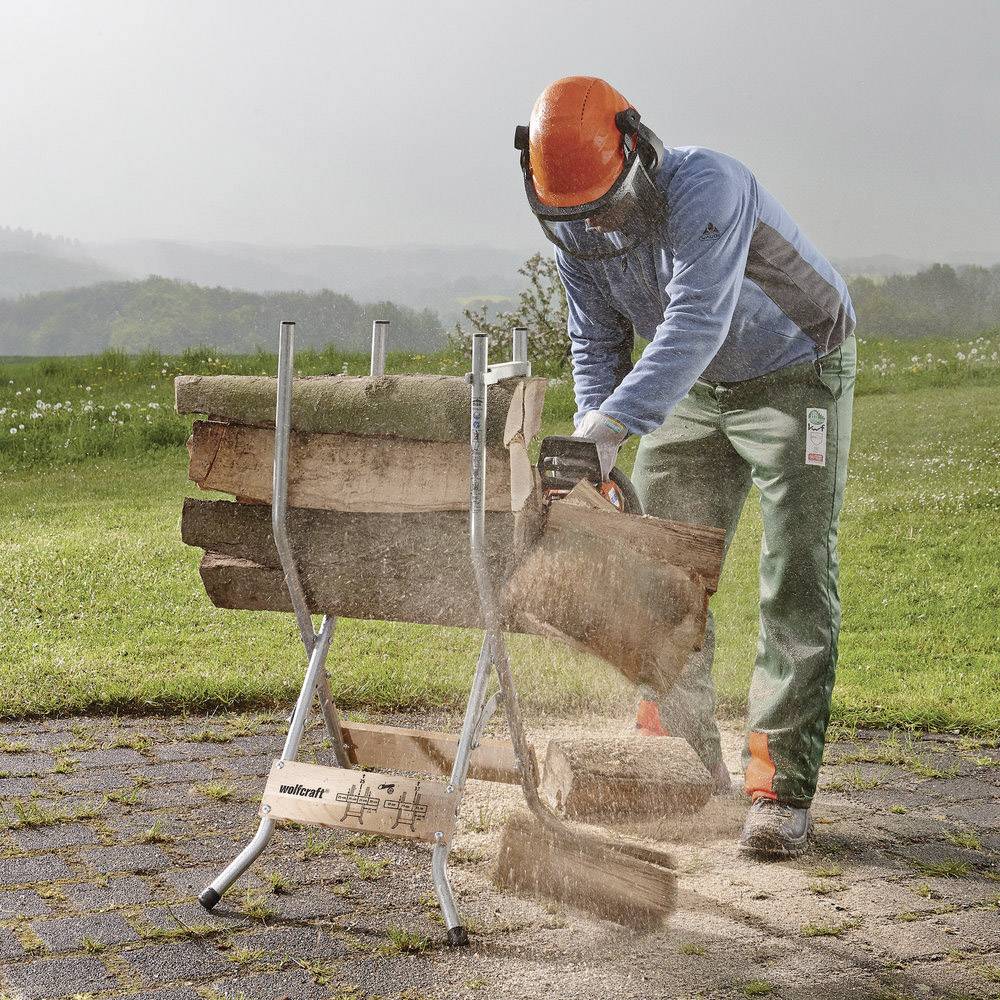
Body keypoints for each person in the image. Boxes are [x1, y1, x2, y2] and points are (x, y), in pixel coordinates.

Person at [514, 76, 856, 857]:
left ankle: (778, 790)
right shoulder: (578, 228)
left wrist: (612, 429)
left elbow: (698, 319)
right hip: (692, 388)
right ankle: (682, 768)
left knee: (796, 570)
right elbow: (596, 341)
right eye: (572, 214)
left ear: (639, 150)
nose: (593, 224)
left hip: (797, 368)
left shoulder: (711, 185)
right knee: (662, 573)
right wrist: (594, 441)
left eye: (604, 204)